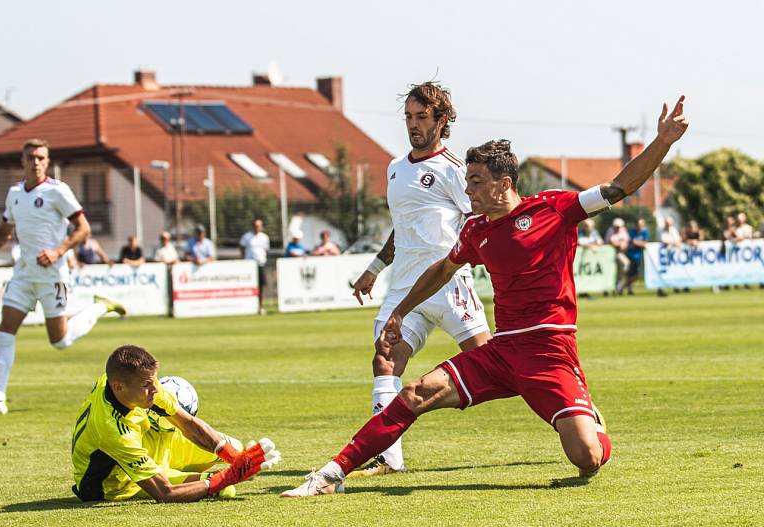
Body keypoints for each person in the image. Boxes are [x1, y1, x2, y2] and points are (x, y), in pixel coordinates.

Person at [282, 95, 688, 498]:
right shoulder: (477, 231)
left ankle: (591, 422)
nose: (468, 191)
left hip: (550, 352)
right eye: (467, 182)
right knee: (413, 393)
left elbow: (620, 186)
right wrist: (399, 312)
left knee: (586, 456)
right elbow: (442, 269)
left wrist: (663, 142)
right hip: (502, 351)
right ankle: (331, 475)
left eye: (475, 182)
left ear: (504, 184)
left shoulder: (554, 209)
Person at [348, 81, 490, 477]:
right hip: (403, 291)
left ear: (441, 120)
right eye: (408, 117)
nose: (413, 125)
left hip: (448, 285)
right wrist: (375, 268)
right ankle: (388, 457)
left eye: (421, 117)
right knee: (384, 360)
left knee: (499, 367)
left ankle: (571, 403)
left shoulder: (454, 170)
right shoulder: (395, 168)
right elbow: (402, 227)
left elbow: (480, 217)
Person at [0, 139, 125, 415]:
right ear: (22, 161)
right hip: (24, 274)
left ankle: (101, 306)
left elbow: (83, 228)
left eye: (41, 157)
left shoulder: (58, 191)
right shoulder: (15, 193)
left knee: (60, 341)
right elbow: (3, 235)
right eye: (31, 157)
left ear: (47, 162)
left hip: (53, 275)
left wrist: (58, 250)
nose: (36, 162)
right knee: (5, 331)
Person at [71, 344, 281, 502]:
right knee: (224, 488)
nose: (155, 389)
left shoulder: (124, 381)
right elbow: (165, 493)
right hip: (119, 481)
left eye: (155, 381)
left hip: (146, 444)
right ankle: (209, 478)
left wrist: (235, 458)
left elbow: (188, 423)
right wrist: (229, 477)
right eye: (146, 385)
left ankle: (214, 471)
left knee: (235, 446)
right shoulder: (115, 432)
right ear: (118, 387)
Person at [240, 219, 270, 313]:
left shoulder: (264, 237)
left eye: (259, 226)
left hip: (260, 264)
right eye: (255, 225)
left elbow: (266, 250)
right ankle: (248, 306)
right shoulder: (247, 236)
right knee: (249, 286)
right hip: (249, 265)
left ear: (261, 226)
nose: (257, 227)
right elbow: (242, 248)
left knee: (261, 286)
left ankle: (260, 307)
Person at [604, 218, 630, 294]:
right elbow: (609, 242)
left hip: (619, 253)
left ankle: (619, 286)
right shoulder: (610, 231)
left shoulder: (623, 231)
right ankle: (609, 288)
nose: (617, 228)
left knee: (626, 265)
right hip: (610, 254)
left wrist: (618, 244)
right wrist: (618, 244)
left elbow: (624, 244)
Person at [627, 218, 651, 296]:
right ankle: (629, 289)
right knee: (631, 273)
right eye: (638, 225)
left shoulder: (645, 232)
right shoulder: (632, 231)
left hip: (641, 256)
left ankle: (624, 285)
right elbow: (631, 242)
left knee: (639, 274)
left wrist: (636, 242)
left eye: (641, 225)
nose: (639, 226)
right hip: (631, 255)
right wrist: (638, 243)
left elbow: (645, 244)